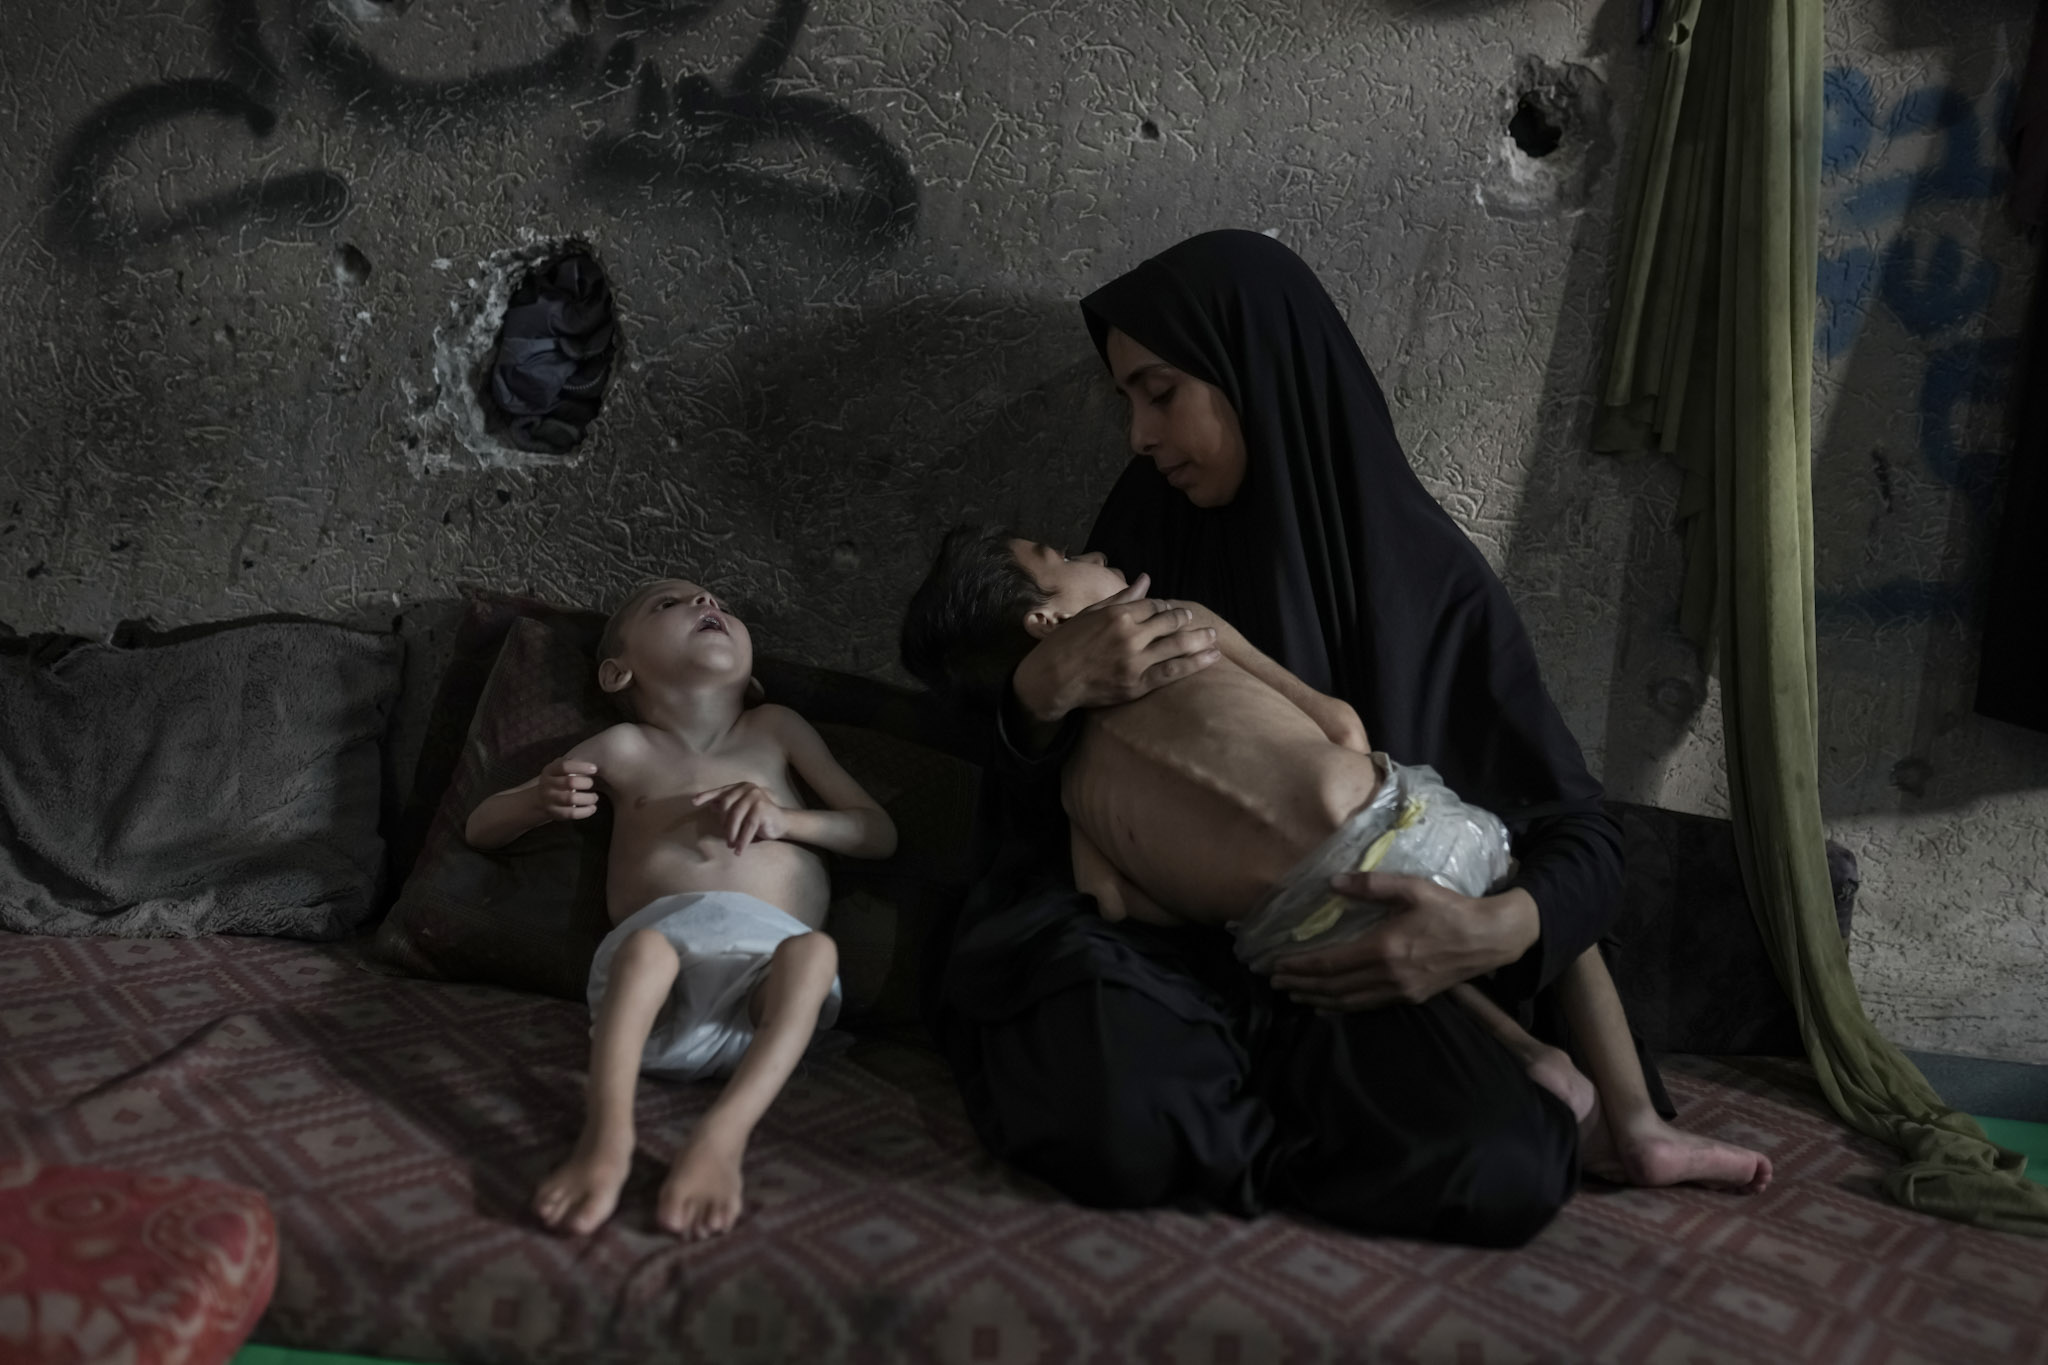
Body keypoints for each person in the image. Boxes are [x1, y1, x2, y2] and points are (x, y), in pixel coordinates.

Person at [919, 229, 1697, 1247]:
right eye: (1125, 403)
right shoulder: (1138, 536)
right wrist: (1035, 693)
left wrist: (1496, 931)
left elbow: (1573, 830)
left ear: (1258, 371)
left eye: (1160, 393)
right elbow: (1047, 813)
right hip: (1174, 950)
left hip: (1358, 958)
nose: (1138, 436)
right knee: (1109, 1098)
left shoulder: (1430, 585)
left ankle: (1256, 1136)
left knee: (1502, 1160)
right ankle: (1257, 1138)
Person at [905, 526, 1771, 1195]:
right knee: (1544, 866)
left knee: (1398, 945)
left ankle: (1535, 1064)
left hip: (1293, 927)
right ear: (1047, 622)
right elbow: (1344, 723)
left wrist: (1224, 891)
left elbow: (1120, 902)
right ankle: (1634, 1115)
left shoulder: (1071, 791)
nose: (1096, 549)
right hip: (1407, 825)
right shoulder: (1190, 623)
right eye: (1064, 555)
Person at [466, 579, 897, 1239]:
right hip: (654, 999)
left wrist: (786, 820)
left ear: (750, 676)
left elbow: (877, 832)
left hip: (766, 995)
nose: (707, 605)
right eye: (671, 603)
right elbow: (481, 826)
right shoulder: (624, 748)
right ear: (619, 669)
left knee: (816, 953)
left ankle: (722, 1137)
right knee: (644, 951)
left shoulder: (774, 728)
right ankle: (606, 1138)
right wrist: (536, 801)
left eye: (721, 603)